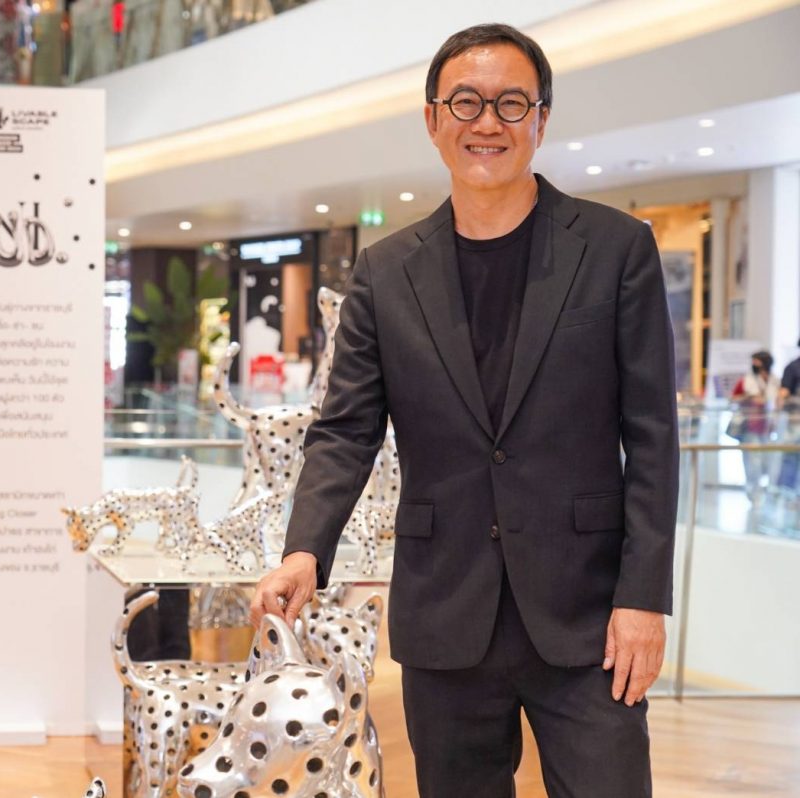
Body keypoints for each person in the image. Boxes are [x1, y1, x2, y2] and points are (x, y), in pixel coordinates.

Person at [250, 23, 678, 797]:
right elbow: (346, 428)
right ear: (433, 119)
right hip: (446, 607)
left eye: (512, 103)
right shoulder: (385, 272)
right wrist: (305, 547)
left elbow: (652, 437)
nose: (489, 122)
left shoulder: (615, 250)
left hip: (589, 616)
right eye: (466, 102)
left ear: (541, 120)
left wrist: (643, 598)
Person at [731, 350, 781, 500]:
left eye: (757, 362)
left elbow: (777, 401)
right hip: (749, 427)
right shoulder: (746, 380)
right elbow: (733, 399)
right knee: (752, 462)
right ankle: (753, 493)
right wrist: (749, 397)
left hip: (768, 428)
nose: (754, 365)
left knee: (767, 461)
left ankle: (766, 492)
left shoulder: (775, 381)